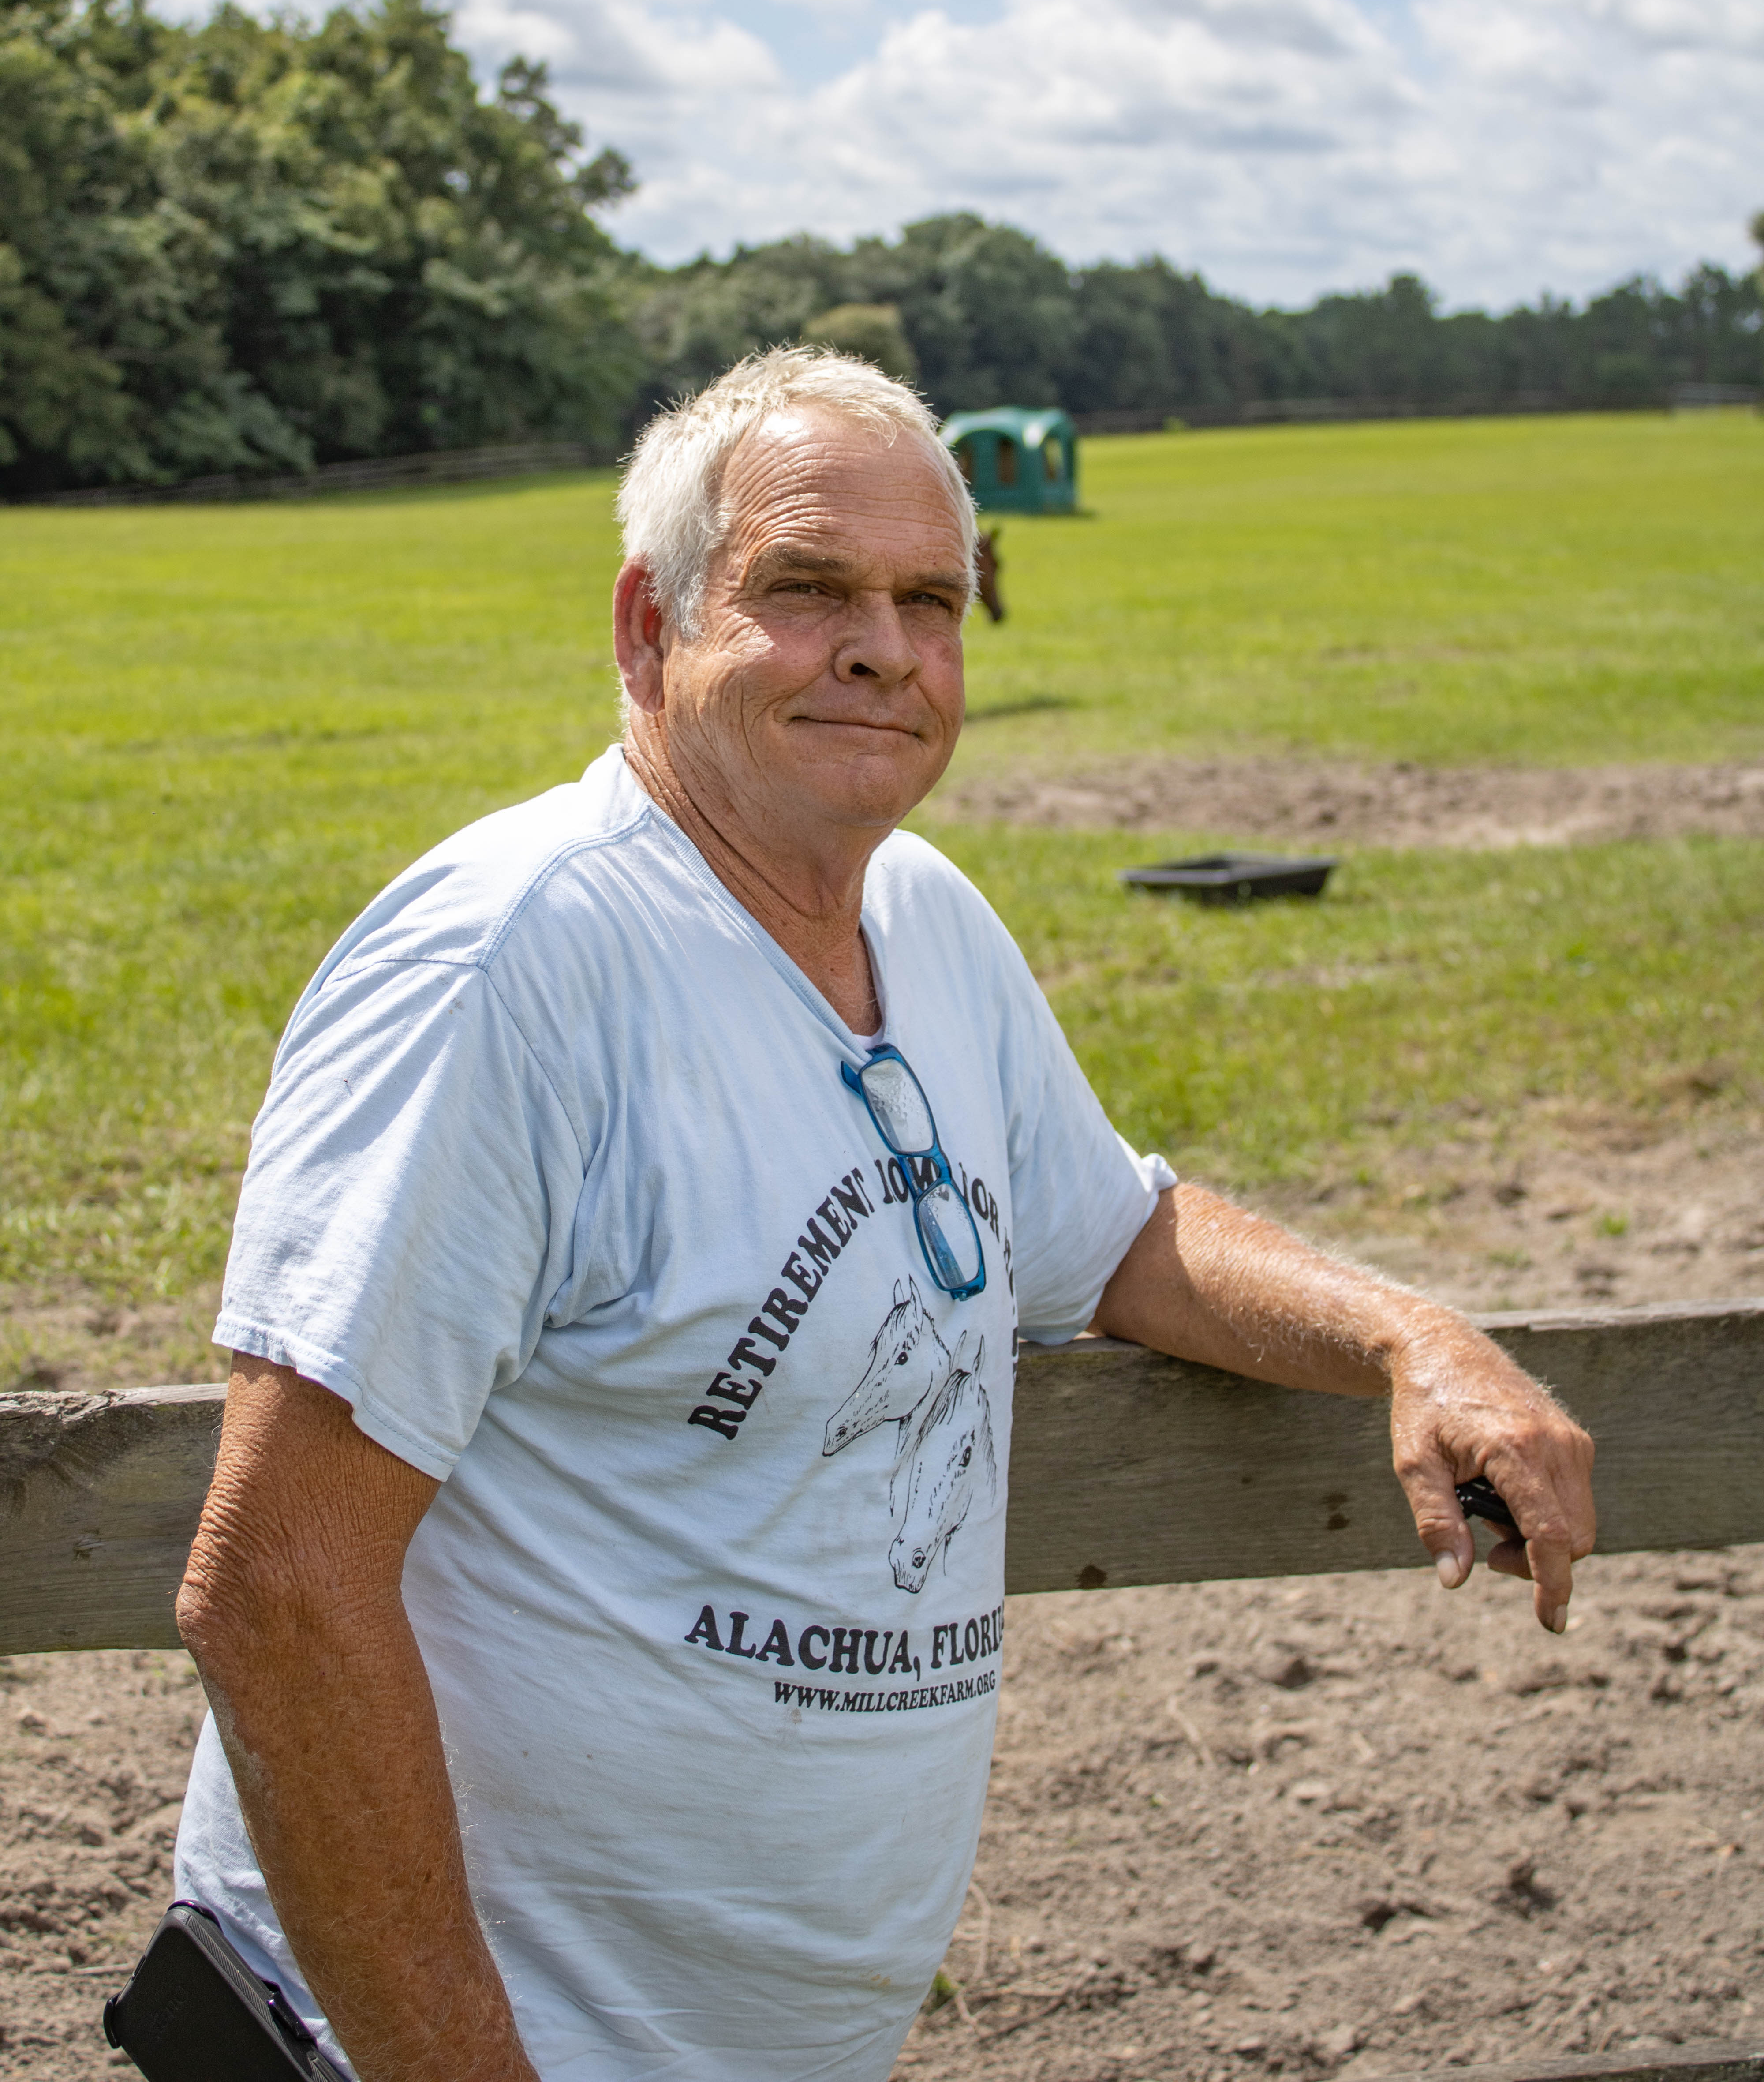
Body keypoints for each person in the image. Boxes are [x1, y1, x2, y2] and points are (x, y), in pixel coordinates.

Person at [173, 347, 1595, 2082]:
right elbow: (276, 1585)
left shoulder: (922, 919)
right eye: (806, 590)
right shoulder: (513, 967)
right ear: (647, 627)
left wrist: (1407, 1334)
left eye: (932, 600)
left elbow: (1117, 1239)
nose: (884, 647)